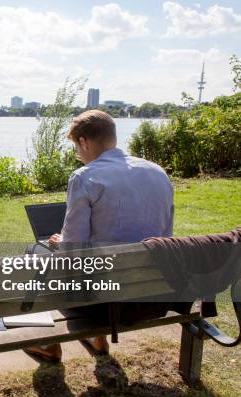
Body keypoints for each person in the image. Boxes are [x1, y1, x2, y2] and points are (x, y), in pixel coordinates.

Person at [24, 110, 174, 362]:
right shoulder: (157, 172)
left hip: (103, 301)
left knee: (36, 255)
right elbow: (165, 237)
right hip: (153, 295)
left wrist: (60, 243)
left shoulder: (86, 177)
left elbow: (72, 252)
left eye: (75, 147)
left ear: (84, 141)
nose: (77, 154)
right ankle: (94, 338)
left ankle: (47, 343)